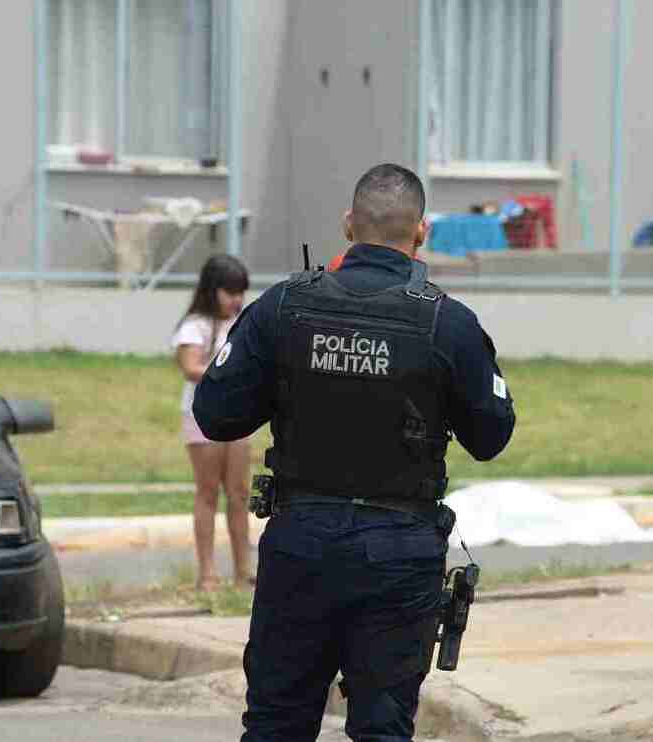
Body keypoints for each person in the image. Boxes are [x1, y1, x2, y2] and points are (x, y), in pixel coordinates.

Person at [193, 163, 516, 742]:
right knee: (382, 730)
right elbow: (491, 436)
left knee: (276, 725)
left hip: (301, 545)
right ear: (421, 233)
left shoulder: (283, 307)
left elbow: (216, 413)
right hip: (398, 554)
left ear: (348, 225)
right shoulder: (449, 323)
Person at [171, 254, 254, 592]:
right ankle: (207, 574)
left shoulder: (242, 324)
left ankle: (242, 571)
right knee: (208, 492)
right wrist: (229, 374)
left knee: (239, 493)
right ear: (212, 290)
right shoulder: (194, 325)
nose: (237, 300)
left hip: (238, 418)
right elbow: (190, 367)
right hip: (201, 417)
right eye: (230, 292)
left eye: (241, 293)